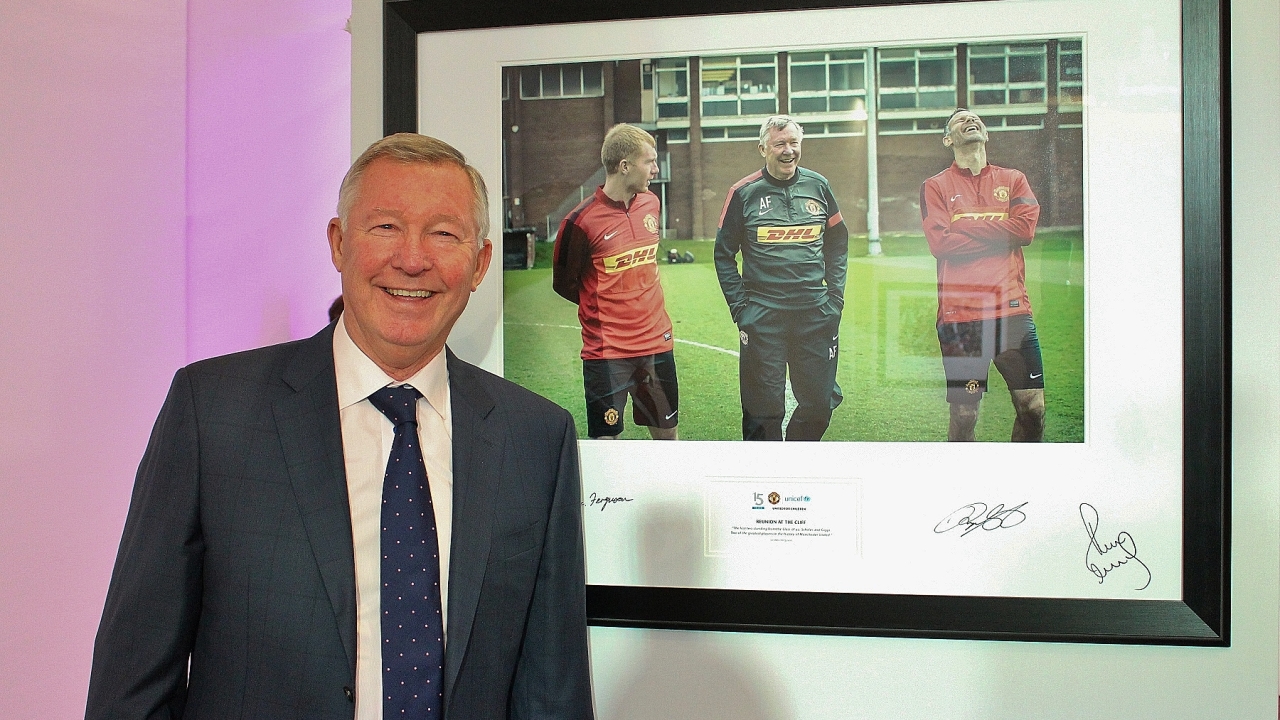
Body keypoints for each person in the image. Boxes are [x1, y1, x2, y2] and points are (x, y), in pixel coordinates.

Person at [86, 134, 593, 719]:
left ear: (479, 264)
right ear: (338, 243)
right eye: (385, 227)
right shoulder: (213, 413)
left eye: (444, 233)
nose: (412, 258)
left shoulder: (536, 438)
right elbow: (132, 679)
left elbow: (553, 693)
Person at [714, 115, 849, 441]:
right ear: (763, 148)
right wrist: (741, 309)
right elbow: (723, 254)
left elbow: (838, 244)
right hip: (763, 315)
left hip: (815, 314)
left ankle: (796, 464)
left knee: (819, 404)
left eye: (794, 143)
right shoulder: (743, 192)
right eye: (780, 144)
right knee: (763, 412)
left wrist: (835, 299)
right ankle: (766, 478)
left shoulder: (818, 186)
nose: (788, 151)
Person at [920, 108, 1045, 441]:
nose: (970, 120)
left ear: (986, 134)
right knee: (965, 413)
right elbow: (941, 243)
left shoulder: (1013, 179)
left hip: (1012, 313)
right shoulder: (935, 187)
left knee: (1032, 408)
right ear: (948, 139)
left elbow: (1024, 230)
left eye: (975, 118)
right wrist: (1000, 233)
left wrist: (967, 225)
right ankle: (963, 483)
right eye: (960, 120)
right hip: (962, 320)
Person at [553, 123, 678, 440]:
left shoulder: (651, 203)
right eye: (649, 161)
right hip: (607, 353)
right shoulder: (579, 222)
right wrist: (606, 310)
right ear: (625, 166)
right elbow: (565, 284)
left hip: (655, 345)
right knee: (606, 444)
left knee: (668, 439)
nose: (655, 169)